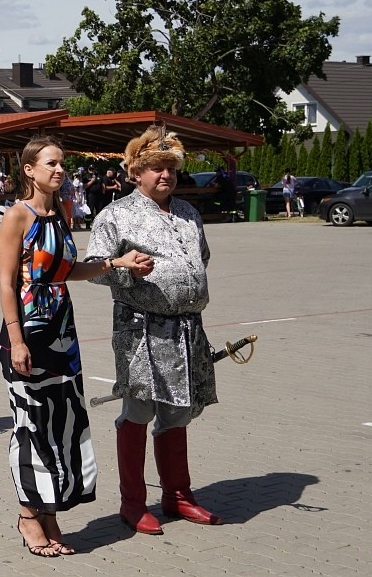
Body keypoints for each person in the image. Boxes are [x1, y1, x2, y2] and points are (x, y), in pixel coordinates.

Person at [0, 136, 153, 557]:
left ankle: (50, 512)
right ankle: (28, 515)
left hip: (62, 331)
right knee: (31, 422)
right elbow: (6, 284)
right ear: (29, 170)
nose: (59, 170)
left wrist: (118, 263)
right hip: (27, 330)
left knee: (63, 422)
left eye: (62, 163)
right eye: (50, 163)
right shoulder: (17, 216)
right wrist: (16, 341)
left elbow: (68, 271)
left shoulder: (62, 212)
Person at [86, 127, 224, 536]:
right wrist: (126, 267)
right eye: (156, 169)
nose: (165, 175)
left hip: (188, 328)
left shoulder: (187, 212)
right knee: (140, 409)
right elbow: (95, 267)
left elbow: (201, 257)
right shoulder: (115, 214)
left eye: (170, 169)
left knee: (179, 409)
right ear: (135, 173)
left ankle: (177, 495)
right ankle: (132, 502)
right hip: (140, 330)